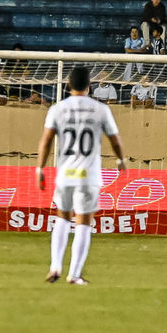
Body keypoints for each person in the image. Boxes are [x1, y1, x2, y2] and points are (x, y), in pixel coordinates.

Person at [35, 66, 127, 285]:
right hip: (89, 175)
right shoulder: (100, 109)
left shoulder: (58, 109)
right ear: (89, 86)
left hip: (65, 173)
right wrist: (121, 159)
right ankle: (74, 274)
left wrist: (40, 168)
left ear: (68, 85)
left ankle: (55, 266)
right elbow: (114, 139)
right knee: (84, 222)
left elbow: (46, 140)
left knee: (62, 217)